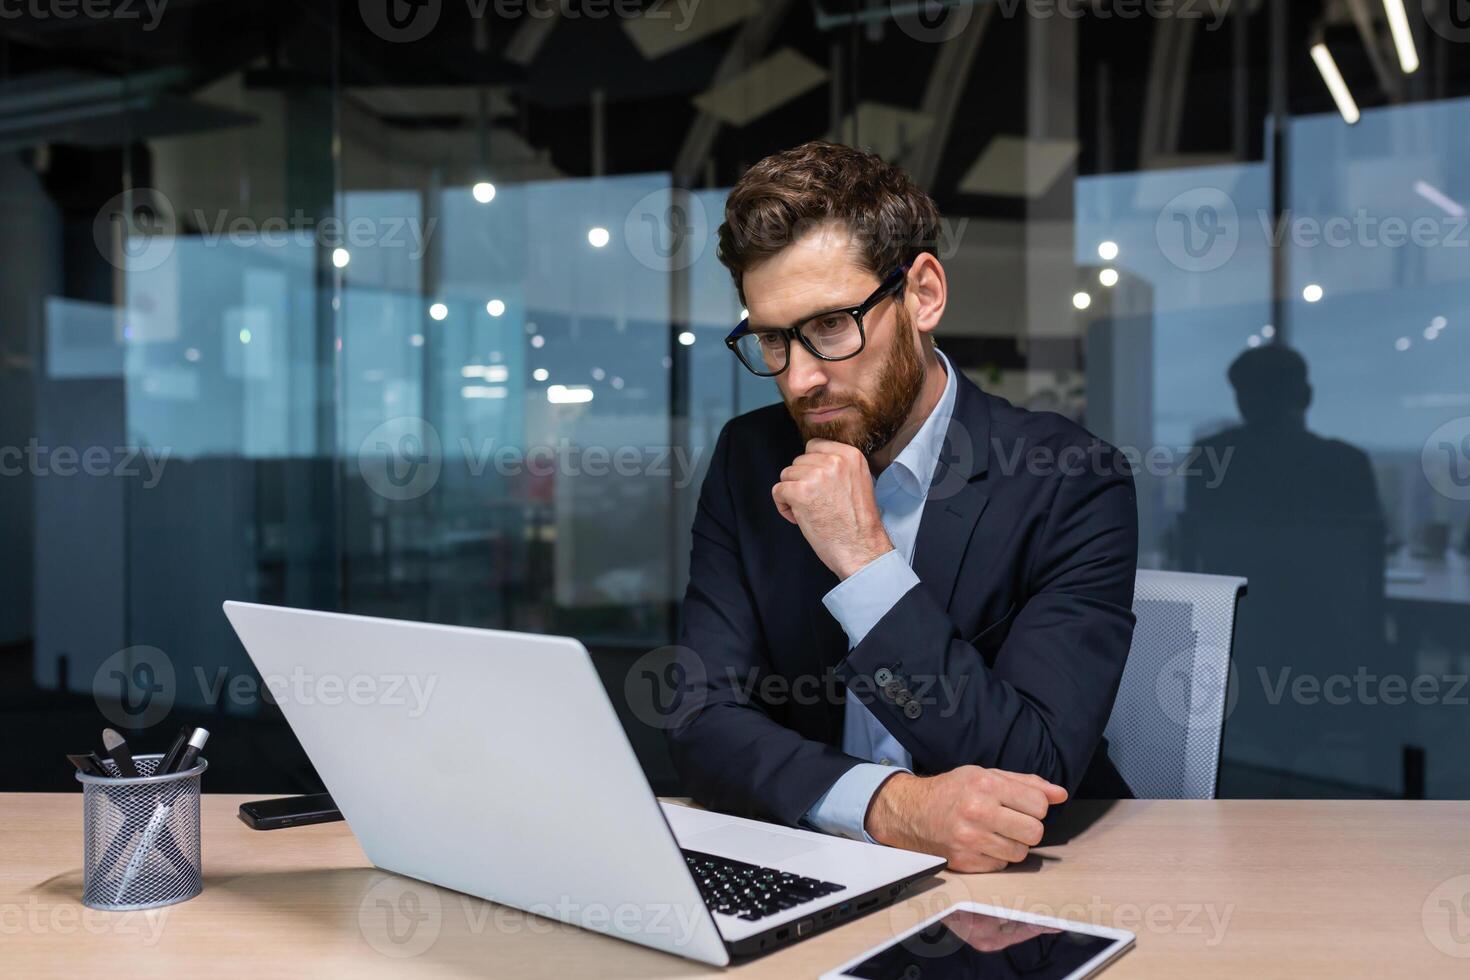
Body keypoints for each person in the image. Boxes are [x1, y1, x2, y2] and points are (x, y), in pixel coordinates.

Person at [668, 142, 1138, 873]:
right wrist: (886, 806)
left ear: (922, 294)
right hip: (819, 858)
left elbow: (1033, 767)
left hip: (1022, 886)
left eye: (830, 326)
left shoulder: (1068, 479)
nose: (799, 380)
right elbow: (701, 716)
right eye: (771, 339)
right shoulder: (748, 458)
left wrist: (864, 560)